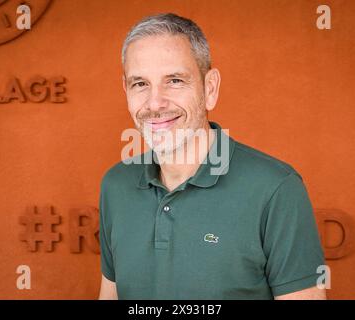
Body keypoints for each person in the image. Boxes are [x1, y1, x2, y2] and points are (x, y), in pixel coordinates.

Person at [99, 13, 326, 300]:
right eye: (140, 84)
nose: (154, 103)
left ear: (210, 88)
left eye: (175, 80)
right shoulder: (115, 185)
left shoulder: (276, 188)